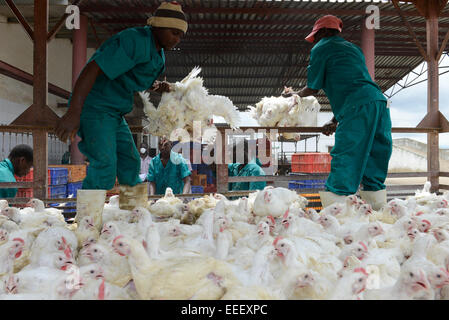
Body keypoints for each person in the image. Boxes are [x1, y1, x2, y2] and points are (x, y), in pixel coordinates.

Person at [54, 2, 187, 196]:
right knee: (105, 164)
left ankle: (133, 215)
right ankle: (87, 220)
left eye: (181, 35)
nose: (177, 39)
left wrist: (160, 87)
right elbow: (93, 68)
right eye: (174, 32)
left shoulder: (158, 56)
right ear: (157, 26)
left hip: (115, 112)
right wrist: (74, 111)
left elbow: (137, 78)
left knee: (130, 161)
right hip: (96, 107)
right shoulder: (133, 40)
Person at [285, 15, 391, 210]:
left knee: (348, 154)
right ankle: (377, 211)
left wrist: (293, 97)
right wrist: (335, 120)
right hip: (379, 102)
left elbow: (313, 87)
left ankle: (338, 213)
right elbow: (352, 86)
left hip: (358, 106)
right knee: (377, 153)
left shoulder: (322, 47)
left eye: (316, 36)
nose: (314, 41)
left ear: (324, 32)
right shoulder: (354, 50)